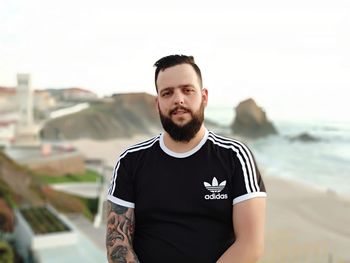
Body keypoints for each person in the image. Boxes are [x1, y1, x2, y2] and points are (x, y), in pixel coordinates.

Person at [106, 55, 267, 263]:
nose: (178, 99)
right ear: (158, 104)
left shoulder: (235, 156)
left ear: (204, 97)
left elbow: (250, 245)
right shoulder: (130, 161)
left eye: (187, 90)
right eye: (167, 93)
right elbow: (117, 245)